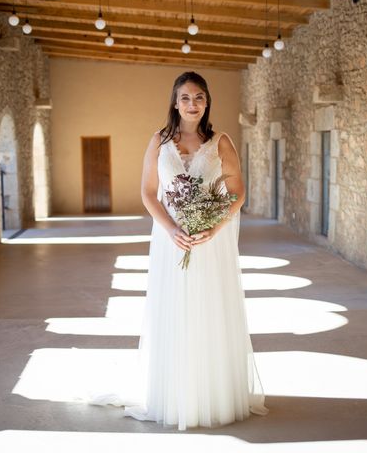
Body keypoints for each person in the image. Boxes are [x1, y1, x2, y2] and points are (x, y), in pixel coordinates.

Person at [89, 71, 269, 430]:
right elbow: (148, 192)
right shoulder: (159, 141)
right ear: (175, 102)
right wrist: (171, 228)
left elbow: (237, 193)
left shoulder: (221, 142)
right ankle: (174, 394)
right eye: (185, 98)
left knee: (208, 308)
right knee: (174, 310)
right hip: (170, 240)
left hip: (209, 242)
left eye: (199, 97)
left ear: (207, 102)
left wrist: (213, 228)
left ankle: (213, 394)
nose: (192, 104)